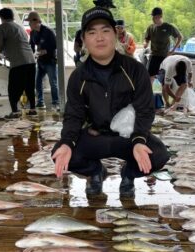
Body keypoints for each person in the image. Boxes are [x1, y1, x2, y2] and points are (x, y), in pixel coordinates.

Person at [51, 7, 169, 199]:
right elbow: (73, 115)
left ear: (116, 34)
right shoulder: (78, 77)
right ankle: (95, 172)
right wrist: (66, 142)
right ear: (84, 39)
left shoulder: (135, 70)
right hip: (95, 137)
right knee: (61, 153)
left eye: (105, 30)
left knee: (159, 155)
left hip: (129, 138)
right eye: (92, 32)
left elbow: (145, 110)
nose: (99, 37)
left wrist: (139, 140)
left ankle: (128, 174)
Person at [0, 8, 37, 118]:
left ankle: (15, 112)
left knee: (13, 88)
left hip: (19, 62)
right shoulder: (19, 27)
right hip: (31, 61)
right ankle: (32, 109)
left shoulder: (3, 26)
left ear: (2, 17)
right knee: (29, 86)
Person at [26, 11, 59, 111]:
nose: (29, 24)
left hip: (50, 61)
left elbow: (56, 45)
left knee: (53, 83)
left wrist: (45, 51)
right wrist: (32, 56)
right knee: (37, 82)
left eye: (30, 22)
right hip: (40, 61)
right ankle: (40, 102)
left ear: (36, 21)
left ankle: (55, 103)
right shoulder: (32, 33)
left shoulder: (48, 31)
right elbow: (31, 46)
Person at [143, 7, 183, 83]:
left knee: (165, 80)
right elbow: (147, 38)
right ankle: (149, 93)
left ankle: (165, 93)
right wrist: (145, 43)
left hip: (165, 56)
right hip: (154, 55)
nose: (153, 19)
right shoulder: (150, 28)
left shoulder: (168, 27)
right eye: (152, 17)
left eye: (155, 17)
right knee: (149, 77)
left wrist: (173, 50)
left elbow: (180, 37)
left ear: (160, 16)